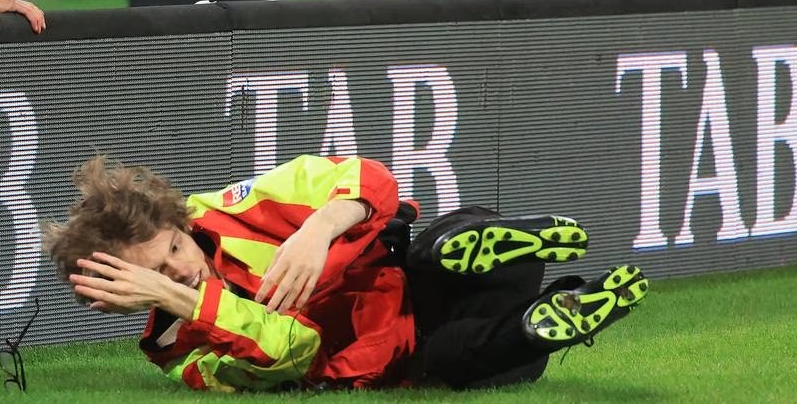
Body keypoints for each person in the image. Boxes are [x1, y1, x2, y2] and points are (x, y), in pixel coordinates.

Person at [42, 154, 648, 392]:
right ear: (114, 295)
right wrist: (189, 307)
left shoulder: (227, 207)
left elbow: (367, 177)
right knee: (474, 357)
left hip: (409, 276)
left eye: (175, 246)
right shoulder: (178, 350)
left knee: (433, 248)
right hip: (405, 351)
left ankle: (510, 243)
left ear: (177, 219)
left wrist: (319, 227)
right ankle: (551, 317)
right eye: (159, 275)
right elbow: (295, 350)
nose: (184, 270)